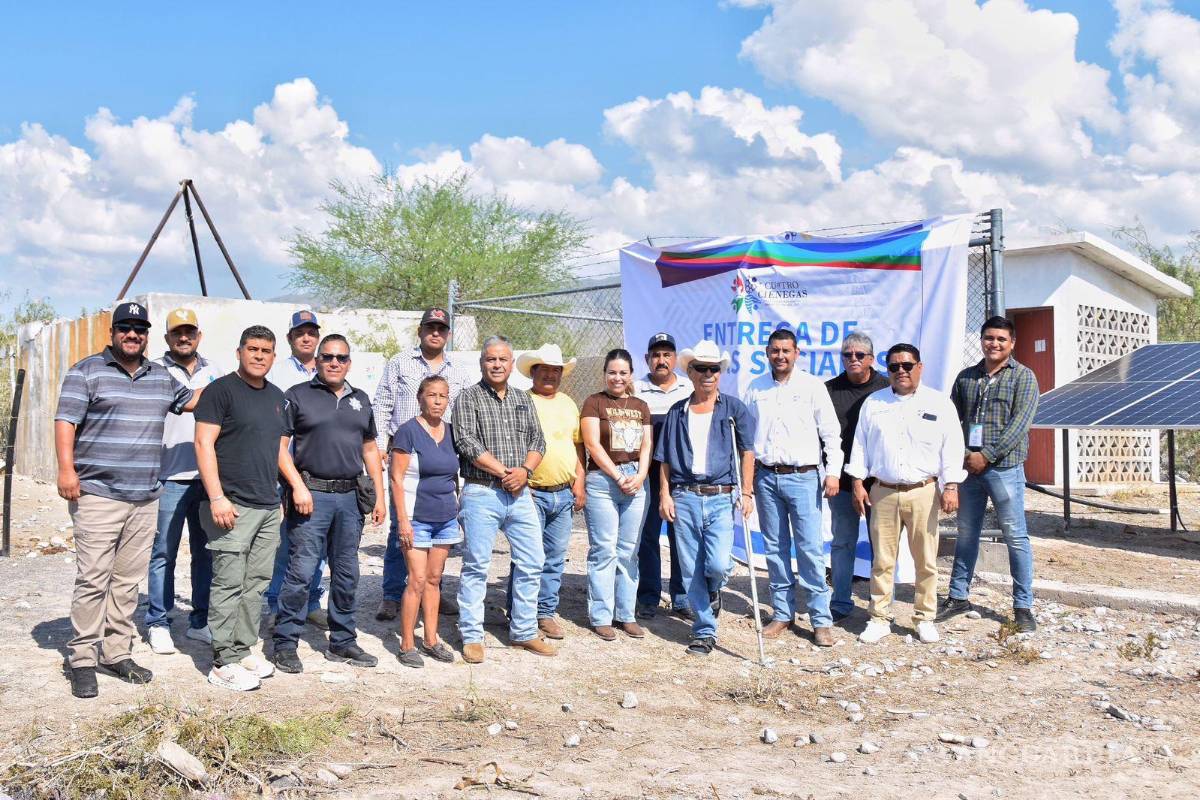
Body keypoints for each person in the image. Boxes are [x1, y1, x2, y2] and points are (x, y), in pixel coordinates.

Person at [54, 301, 200, 699]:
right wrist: (67, 471)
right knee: (92, 578)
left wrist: (243, 378)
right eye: (125, 328)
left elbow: (194, 401)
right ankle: (82, 658)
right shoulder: (86, 371)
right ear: (113, 332)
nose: (132, 335)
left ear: (147, 335)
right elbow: (66, 421)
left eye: (139, 329)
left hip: (145, 496)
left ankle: (116, 653)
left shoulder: (161, 377)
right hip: (98, 494)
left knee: (126, 582)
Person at [195, 325, 305, 692]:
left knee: (255, 584)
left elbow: (276, 450)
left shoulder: (275, 397)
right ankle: (222, 660)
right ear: (239, 351)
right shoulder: (220, 391)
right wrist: (216, 497)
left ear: (275, 356)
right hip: (232, 505)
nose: (259, 355)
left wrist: (288, 491)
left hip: (267, 505)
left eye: (266, 350)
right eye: (253, 349)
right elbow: (203, 443)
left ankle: (242, 648)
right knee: (227, 582)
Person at [271, 335, 386, 674]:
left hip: (350, 499)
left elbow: (370, 450)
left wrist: (380, 496)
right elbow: (279, 448)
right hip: (312, 496)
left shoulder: (360, 400)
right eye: (328, 357)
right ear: (318, 360)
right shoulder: (298, 395)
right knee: (302, 572)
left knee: (348, 572)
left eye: (342, 357)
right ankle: (285, 641)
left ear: (349, 362)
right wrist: (297, 488)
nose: (335, 362)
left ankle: (343, 640)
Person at [845, 344, 966, 645]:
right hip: (882, 491)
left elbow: (952, 446)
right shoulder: (874, 403)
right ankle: (879, 618)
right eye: (894, 366)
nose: (901, 371)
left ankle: (924, 617)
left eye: (907, 365)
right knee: (882, 560)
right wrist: (857, 483)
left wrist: (951, 486)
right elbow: (859, 445)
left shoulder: (939, 404)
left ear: (920, 367)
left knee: (925, 560)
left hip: (923, 492)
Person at [452, 336, 551, 663]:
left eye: (503, 360)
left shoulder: (524, 399)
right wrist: (504, 472)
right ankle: (472, 635)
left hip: (520, 492)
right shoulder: (468, 398)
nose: (497, 365)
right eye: (490, 360)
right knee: (477, 564)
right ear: (482, 364)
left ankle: (523, 631)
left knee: (533, 560)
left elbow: (538, 439)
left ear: (512, 364)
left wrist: (523, 471)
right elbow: (466, 442)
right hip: (482, 492)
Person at [654, 340, 755, 657]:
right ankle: (704, 631)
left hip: (721, 497)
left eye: (714, 369)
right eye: (701, 368)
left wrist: (747, 491)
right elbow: (665, 458)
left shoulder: (733, 409)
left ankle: (715, 589)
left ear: (720, 373)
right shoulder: (677, 411)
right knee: (690, 569)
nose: (708, 374)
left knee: (717, 563)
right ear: (691, 372)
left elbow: (747, 452)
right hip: (684, 496)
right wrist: (664, 494)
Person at [744, 328, 842, 646]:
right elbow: (746, 439)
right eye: (775, 350)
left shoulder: (812, 386)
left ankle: (820, 620)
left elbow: (830, 433)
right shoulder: (755, 388)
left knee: (810, 550)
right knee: (774, 549)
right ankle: (782, 614)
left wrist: (833, 473)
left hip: (804, 477)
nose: (781, 356)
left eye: (786, 350)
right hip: (767, 477)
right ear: (767, 353)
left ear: (797, 353)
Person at [944, 316, 1040, 633]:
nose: (994, 344)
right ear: (982, 341)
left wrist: (987, 455)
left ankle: (1023, 606)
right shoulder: (966, 378)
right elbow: (951, 420)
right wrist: (964, 457)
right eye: (989, 338)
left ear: (1012, 343)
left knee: (1015, 536)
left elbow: (1019, 426)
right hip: (969, 469)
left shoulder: (1024, 378)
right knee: (967, 534)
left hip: (1005, 469)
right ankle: (958, 597)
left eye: (1001, 339)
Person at [373, 307, 469, 621]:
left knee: (441, 519)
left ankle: (432, 590)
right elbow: (383, 402)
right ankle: (391, 594)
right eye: (431, 327)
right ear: (421, 330)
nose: (436, 332)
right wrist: (380, 447)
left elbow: (464, 412)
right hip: (406, 454)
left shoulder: (458, 370)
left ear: (448, 333)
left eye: (442, 328)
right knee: (403, 525)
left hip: (443, 454)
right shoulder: (400, 362)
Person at [145, 308, 225, 655]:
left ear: (198, 336)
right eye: (177, 332)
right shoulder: (153, 371)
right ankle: (158, 621)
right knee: (163, 552)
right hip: (168, 477)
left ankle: (200, 621)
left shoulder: (215, 371)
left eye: (189, 331)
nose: (184, 337)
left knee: (205, 553)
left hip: (206, 479)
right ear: (167, 338)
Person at [510, 343, 585, 640]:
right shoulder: (521, 402)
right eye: (545, 370)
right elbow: (514, 446)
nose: (550, 376)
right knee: (527, 556)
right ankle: (519, 612)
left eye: (556, 371)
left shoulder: (568, 403)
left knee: (554, 557)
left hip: (563, 491)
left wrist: (580, 480)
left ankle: (545, 612)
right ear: (533, 372)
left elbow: (577, 444)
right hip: (532, 491)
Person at [582, 349, 653, 640]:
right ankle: (601, 615)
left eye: (623, 373)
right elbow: (592, 444)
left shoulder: (640, 405)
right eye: (612, 372)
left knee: (628, 551)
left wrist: (641, 475)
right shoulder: (594, 403)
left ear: (631, 375)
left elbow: (647, 444)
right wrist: (618, 476)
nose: (617, 377)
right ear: (605, 374)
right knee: (604, 550)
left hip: (636, 481)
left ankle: (626, 614)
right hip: (603, 480)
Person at [390, 376, 461, 668]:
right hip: (416, 518)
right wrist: (403, 522)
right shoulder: (407, 432)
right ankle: (407, 643)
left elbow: (454, 476)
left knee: (434, 580)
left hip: (445, 517)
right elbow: (395, 478)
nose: (437, 401)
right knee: (416, 580)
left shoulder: (452, 432)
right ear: (420, 397)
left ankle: (431, 639)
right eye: (432, 395)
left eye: (443, 396)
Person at [265, 309, 326, 628]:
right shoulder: (277, 374)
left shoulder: (329, 369)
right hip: (282, 469)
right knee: (285, 541)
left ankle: (312, 601)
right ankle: (276, 601)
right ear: (290, 337)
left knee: (316, 541)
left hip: (316, 471)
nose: (307, 337)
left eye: (312, 332)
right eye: (300, 332)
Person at [825, 332, 889, 622]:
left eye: (859, 355)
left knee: (881, 545)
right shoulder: (829, 390)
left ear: (871, 359)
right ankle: (840, 601)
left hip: (879, 481)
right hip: (841, 480)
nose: (853, 359)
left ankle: (880, 605)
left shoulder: (887, 388)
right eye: (847, 355)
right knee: (842, 542)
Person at [633, 332, 693, 620]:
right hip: (647, 473)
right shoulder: (635, 388)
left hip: (679, 473)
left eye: (667, 354)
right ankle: (648, 595)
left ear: (674, 359)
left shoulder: (688, 387)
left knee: (680, 535)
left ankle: (682, 596)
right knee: (647, 535)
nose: (661, 360)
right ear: (647, 359)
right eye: (655, 354)